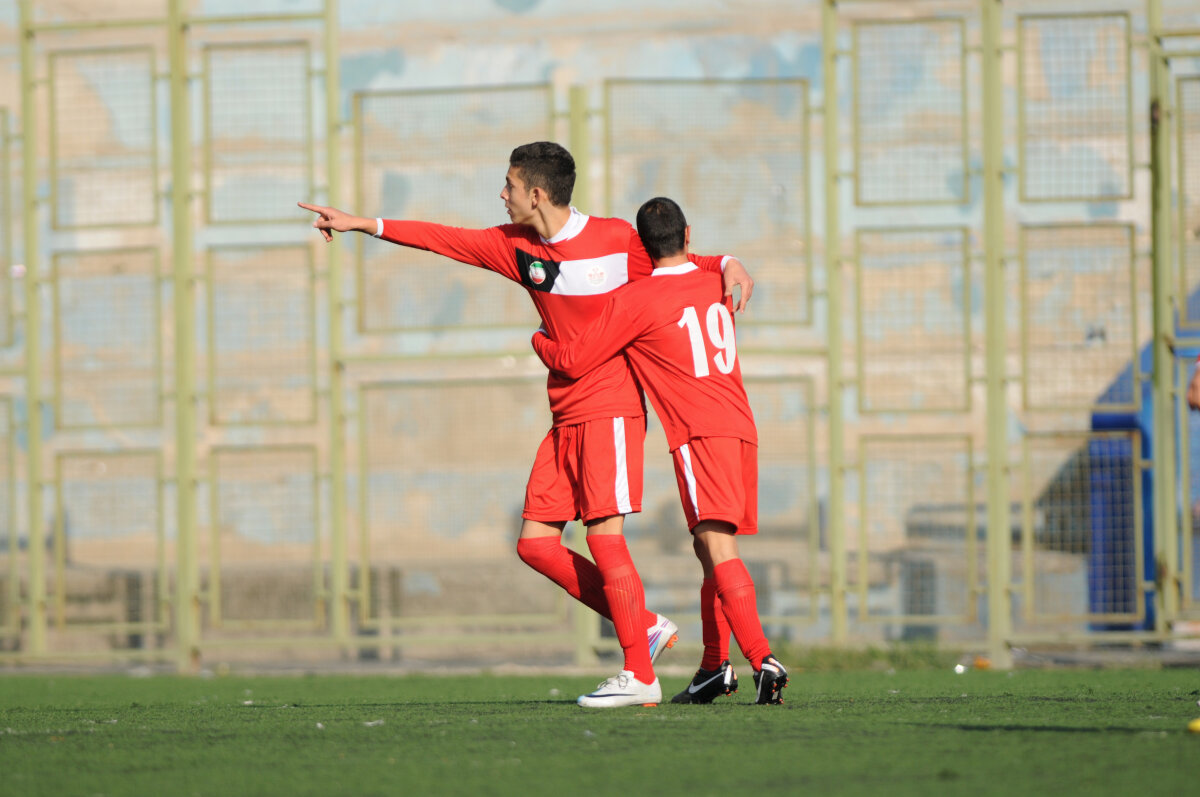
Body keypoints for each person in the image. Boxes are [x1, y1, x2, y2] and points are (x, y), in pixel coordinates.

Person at [299, 142, 754, 708]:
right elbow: (444, 239)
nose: (502, 194)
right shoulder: (514, 246)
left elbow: (679, 264)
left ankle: (639, 673)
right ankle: (643, 625)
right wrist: (362, 223)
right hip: (565, 412)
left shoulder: (617, 239)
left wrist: (727, 262)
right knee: (536, 544)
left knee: (603, 536)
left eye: (509, 185)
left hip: (611, 407)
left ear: (536, 194)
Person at [530, 196, 788, 705]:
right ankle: (714, 667)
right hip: (741, 426)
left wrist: (541, 339)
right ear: (688, 235)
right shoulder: (712, 278)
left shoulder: (638, 298)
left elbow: (575, 359)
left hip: (699, 433)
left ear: (642, 250)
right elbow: (717, 264)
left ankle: (762, 658)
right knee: (708, 550)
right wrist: (729, 260)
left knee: (719, 549)